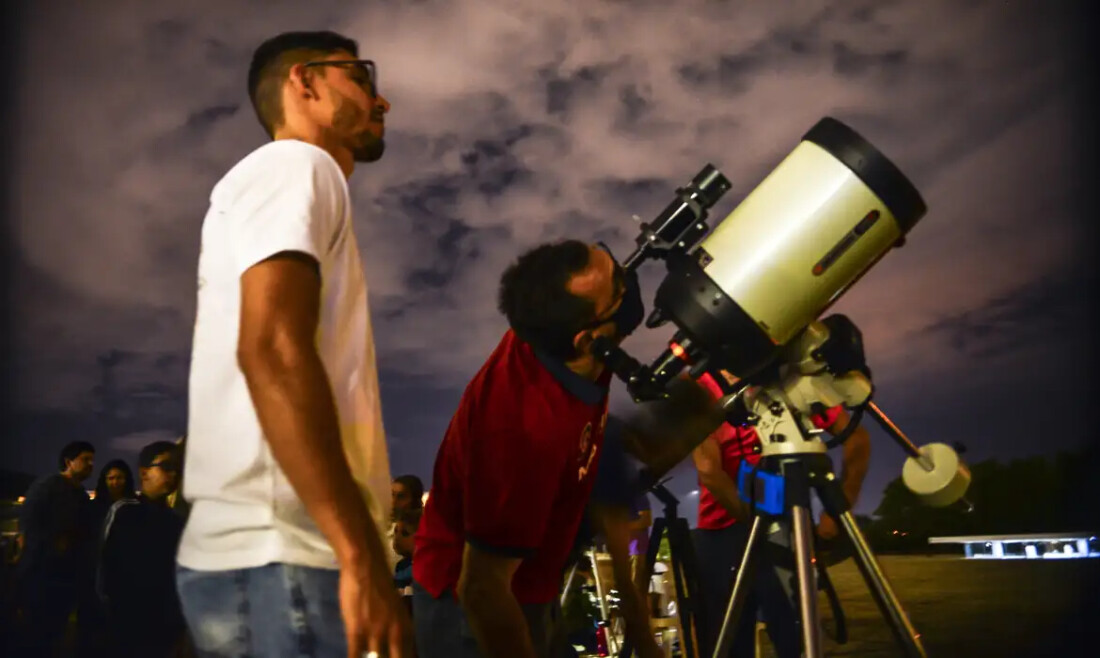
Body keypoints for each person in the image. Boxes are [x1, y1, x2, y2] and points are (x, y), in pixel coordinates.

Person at [175, 30, 410, 658]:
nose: (381, 100)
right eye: (360, 76)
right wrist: (359, 555)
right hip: (292, 554)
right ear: (304, 81)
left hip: (268, 556)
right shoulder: (296, 165)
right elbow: (273, 351)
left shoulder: (283, 177)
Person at [412, 239, 644, 658]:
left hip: (532, 583)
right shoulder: (522, 433)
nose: (630, 282)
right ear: (589, 340)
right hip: (472, 610)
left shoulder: (555, 336)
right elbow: (481, 588)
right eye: (619, 289)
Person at [691, 370, 871, 658]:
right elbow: (709, 471)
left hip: (763, 527)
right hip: (741, 530)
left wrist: (839, 506)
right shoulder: (783, 379)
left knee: (753, 641)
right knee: (791, 639)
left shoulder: (786, 377)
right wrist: (840, 504)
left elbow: (856, 439)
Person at [98, 441, 186, 657]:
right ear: (144, 472)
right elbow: (103, 567)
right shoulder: (124, 512)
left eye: (178, 468)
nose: (174, 473)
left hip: (163, 629)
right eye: (167, 467)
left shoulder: (176, 521)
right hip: (125, 627)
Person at [15, 440, 96, 657]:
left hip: (67, 577)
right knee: (35, 634)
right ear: (69, 462)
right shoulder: (48, 486)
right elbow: (28, 525)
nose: (91, 464)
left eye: (92, 460)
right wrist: (53, 543)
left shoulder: (81, 495)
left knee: (55, 633)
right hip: (41, 575)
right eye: (85, 459)